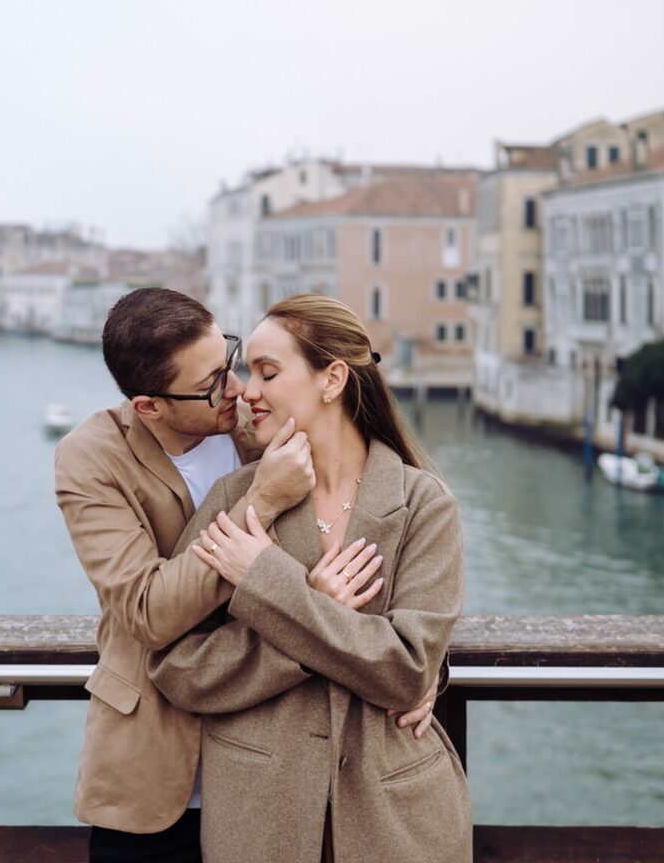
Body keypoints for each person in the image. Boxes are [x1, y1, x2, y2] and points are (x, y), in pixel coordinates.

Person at [55, 288, 440, 863]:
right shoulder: (90, 458)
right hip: (160, 767)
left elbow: (391, 546)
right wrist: (265, 512)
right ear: (150, 407)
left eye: (231, 361)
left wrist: (426, 665)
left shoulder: (261, 427)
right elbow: (145, 611)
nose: (237, 389)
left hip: (285, 771)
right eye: (213, 383)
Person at [148, 294, 472, 863]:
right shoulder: (238, 500)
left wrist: (267, 582)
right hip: (258, 817)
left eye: (267, 372)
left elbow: (407, 670)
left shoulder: (425, 505)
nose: (246, 390)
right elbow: (176, 669)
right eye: (249, 370)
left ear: (333, 379)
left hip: (399, 818)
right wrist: (307, 623)